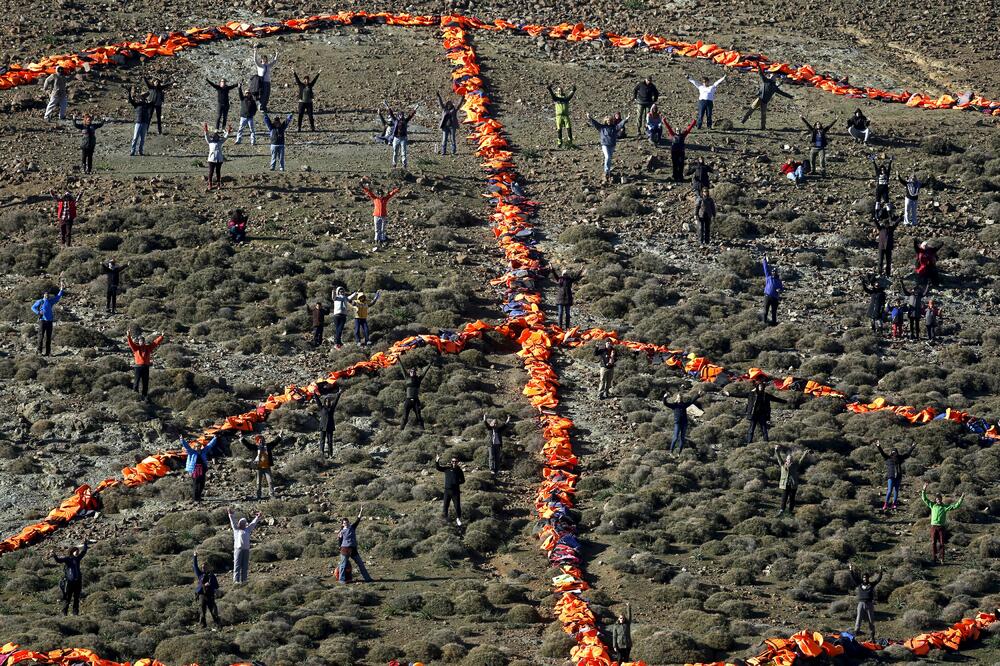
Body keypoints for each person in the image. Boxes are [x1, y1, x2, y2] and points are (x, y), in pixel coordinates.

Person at [921, 484, 964, 564]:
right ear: (935, 499)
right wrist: (924, 490)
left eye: (940, 498)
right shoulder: (932, 505)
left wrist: (961, 498)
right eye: (937, 499)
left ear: (941, 499)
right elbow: (924, 499)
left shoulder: (944, 507)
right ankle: (934, 558)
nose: (938, 500)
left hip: (941, 527)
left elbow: (955, 506)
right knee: (933, 542)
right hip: (933, 527)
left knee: (942, 543)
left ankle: (942, 559)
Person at [586, 113, 629, 182]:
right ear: (605, 121)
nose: (609, 122)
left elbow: (620, 125)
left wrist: (626, 119)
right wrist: (590, 118)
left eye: (610, 120)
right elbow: (595, 123)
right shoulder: (602, 127)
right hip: (605, 145)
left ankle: (608, 171)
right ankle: (606, 171)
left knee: (609, 158)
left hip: (612, 145)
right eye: (607, 121)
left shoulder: (615, 127)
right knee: (607, 157)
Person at [336, 506, 373, 583]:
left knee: (360, 564)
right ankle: (341, 580)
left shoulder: (352, 527)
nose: (346, 524)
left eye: (347, 522)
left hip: (353, 549)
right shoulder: (341, 532)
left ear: (349, 522)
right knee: (343, 565)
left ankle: (367, 578)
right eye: (344, 523)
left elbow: (358, 520)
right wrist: (340, 548)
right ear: (342, 524)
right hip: (345, 549)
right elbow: (339, 541)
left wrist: (361, 511)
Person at [874, 442, 916, 511]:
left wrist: (912, 447)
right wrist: (878, 446)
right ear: (891, 453)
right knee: (890, 490)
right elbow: (882, 453)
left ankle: (894, 504)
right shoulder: (888, 458)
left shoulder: (900, 458)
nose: (894, 453)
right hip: (891, 477)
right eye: (893, 452)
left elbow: (907, 454)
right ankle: (886, 504)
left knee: (896, 491)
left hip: (898, 477)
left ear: (897, 453)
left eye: (895, 452)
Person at [52, 540, 89, 615]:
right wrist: (54, 555)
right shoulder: (68, 559)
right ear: (72, 551)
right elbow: (58, 560)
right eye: (76, 551)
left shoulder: (78, 559)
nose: (78, 552)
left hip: (78, 582)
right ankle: (64, 613)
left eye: (78, 551)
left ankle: (75, 613)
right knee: (67, 599)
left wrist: (85, 544)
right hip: (69, 582)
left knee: (76, 599)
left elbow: (84, 552)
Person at [398, 354, 434, 430]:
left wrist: (430, 364)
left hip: (416, 401)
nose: (413, 372)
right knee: (405, 417)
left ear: (415, 372)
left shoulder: (419, 379)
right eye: (411, 371)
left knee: (419, 416)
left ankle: (422, 430)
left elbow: (425, 372)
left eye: (414, 371)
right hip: (408, 400)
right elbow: (402, 369)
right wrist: (399, 360)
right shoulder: (407, 377)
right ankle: (401, 430)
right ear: (410, 372)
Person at [847, 563, 883, 638]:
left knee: (871, 619)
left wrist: (881, 571)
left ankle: (872, 634)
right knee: (858, 618)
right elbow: (853, 577)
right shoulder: (859, 584)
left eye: (866, 577)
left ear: (868, 578)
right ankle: (856, 632)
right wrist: (851, 569)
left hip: (869, 604)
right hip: (861, 603)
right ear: (862, 578)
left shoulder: (871, 584)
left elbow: (878, 579)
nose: (865, 578)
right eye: (864, 577)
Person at [360, 182, 401, 248]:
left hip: (383, 216)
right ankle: (376, 240)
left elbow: (391, 194)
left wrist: (397, 189)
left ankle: (382, 241)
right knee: (377, 229)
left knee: (382, 229)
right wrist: (363, 187)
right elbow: (369, 193)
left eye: (381, 194)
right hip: (376, 216)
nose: (380, 195)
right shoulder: (375, 198)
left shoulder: (385, 199)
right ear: (377, 194)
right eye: (379, 194)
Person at [126, 330, 164, 399]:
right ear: (139, 342)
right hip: (138, 367)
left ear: (144, 342)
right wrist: (128, 336)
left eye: (143, 341)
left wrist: (161, 336)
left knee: (145, 382)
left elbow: (155, 343)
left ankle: (144, 395)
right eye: (140, 341)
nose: (141, 342)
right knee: (136, 382)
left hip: (146, 367)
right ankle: (135, 395)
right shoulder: (136, 348)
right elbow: (130, 343)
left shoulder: (148, 348)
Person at [228, 508, 262, 583]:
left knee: (245, 566)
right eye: (241, 523)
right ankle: (236, 581)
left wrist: (258, 517)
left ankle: (244, 580)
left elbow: (253, 523)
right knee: (237, 565)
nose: (242, 524)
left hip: (246, 550)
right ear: (239, 523)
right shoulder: (236, 530)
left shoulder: (247, 529)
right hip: (238, 550)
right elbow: (233, 522)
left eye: (244, 523)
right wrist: (230, 515)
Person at [32, 281, 64, 356]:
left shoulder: (50, 301)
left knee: (48, 337)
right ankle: (39, 351)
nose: (47, 295)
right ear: (44, 295)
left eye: (48, 294)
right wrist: (38, 312)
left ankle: (48, 352)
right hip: (42, 321)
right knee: (41, 336)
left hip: (50, 321)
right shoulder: (40, 301)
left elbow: (58, 297)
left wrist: (62, 288)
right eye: (46, 294)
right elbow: (33, 307)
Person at [182, 435, 219, 501]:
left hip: (202, 469)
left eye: (199, 446)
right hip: (194, 470)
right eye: (196, 446)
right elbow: (186, 446)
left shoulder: (203, 451)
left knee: (202, 484)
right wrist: (182, 439)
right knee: (196, 484)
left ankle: (199, 497)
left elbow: (210, 445)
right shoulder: (192, 452)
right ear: (194, 447)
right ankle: (195, 498)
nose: (198, 447)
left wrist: (215, 438)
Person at [192, 550, 222, 628]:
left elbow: (216, 586)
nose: (203, 568)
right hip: (202, 595)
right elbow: (195, 566)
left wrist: (210, 585)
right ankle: (202, 625)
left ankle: (217, 625)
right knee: (202, 611)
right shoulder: (200, 575)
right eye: (202, 567)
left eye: (205, 567)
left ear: (208, 567)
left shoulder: (212, 576)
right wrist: (195, 556)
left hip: (210, 595)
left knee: (213, 610)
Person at [775, 445, 807, 514]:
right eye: (788, 459)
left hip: (793, 484)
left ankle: (790, 510)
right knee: (784, 498)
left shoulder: (795, 465)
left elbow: (801, 460)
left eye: (791, 459)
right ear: (786, 459)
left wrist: (805, 453)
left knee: (792, 498)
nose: (790, 460)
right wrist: (777, 451)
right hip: (785, 484)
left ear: (792, 460)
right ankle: (782, 510)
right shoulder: (782, 465)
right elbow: (779, 457)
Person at [435, 455, 466, 526]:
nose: (454, 463)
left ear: (457, 462)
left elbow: (463, 480)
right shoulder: (447, 469)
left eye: (455, 461)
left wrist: (456, 483)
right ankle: (445, 519)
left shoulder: (459, 471)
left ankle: (458, 518)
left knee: (457, 506)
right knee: (445, 506)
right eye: (453, 461)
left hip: (455, 492)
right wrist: (437, 461)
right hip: (447, 491)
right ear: (451, 462)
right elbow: (438, 468)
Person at [243, 435, 276, 500]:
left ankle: (271, 495)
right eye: (259, 440)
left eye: (262, 440)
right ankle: (258, 496)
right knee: (258, 482)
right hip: (259, 468)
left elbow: (274, 443)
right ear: (257, 441)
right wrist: (242, 438)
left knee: (270, 481)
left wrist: (279, 436)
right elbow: (248, 445)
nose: (261, 441)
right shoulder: (255, 447)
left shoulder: (267, 446)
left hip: (267, 467)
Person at [872, 202, 900, 276]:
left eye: (887, 224)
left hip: (888, 247)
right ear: (884, 224)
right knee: (880, 261)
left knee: (888, 262)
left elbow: (896, 223)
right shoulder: (881, 228)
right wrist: (874, 219)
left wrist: (900, 218)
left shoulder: (891, 228)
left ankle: (888, 274)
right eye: (886, 224)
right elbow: (876, 223)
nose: (887, 225)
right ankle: (880, 273)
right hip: (881, 247)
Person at [313, 385, 343, 456]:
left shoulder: (331, 408)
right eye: (326, 401)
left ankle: (330, 454)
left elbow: (335, 402)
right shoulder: (322, 408)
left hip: (330, 426)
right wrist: (314, 394)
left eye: (328, 401)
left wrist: (339, 393)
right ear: (324, 402)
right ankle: (321, 454)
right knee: (322, 441)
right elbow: (318, 401)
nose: (327, 402)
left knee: (330, 441)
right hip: (322, 426)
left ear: (329, 402)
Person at [386, 104, 417, 169]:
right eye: (400, 115)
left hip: (403, 138)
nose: (401, 116)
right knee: (395, 152)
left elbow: (410, 115)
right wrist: (387, 106)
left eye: (402, 115)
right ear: (398, 115)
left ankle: (404, 165)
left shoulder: (405, 121)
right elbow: (391, 114)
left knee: (404, 152)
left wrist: (416, 108)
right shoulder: (395, 120)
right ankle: (394, 165)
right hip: (396, 138)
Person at [665, 118, 696, 182]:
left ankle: (680, 176)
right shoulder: (673, 135)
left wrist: (693, 122)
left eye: (679, 130)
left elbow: (688, 129)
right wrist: (664, 121)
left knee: (681, 164)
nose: (678, 131)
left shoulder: (683, 135)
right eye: (677, 130)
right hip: (674, 152)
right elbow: (668, 128)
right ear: (675, 131)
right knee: (675, 164)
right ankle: (675, 176)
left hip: (681, 152)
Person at [126, 87, 154, 156]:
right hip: (138, 122)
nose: (142, 98)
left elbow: (153, 102)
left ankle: (140, 151)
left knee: (142, 139)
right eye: (141, 97)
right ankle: (133, 151)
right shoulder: (136, 104)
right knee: (135, 137)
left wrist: (151, 92)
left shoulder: (147, 104)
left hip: (144, 122)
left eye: (143, 97)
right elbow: (130, 100)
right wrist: (129, 93)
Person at [547, 83, 576, 147]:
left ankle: (570, 142)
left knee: (569, 129)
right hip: (559, 116)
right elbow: (553, 96)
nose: (560, 91)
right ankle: (559, 142)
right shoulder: (556, 98)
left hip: (566, 116)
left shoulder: (565, 98)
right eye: (559, 90)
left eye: (561, 90)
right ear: (557, 91)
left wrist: (573, 90)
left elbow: (570, 96)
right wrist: (550, 89)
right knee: (559, 130)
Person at [203, 123, 231, 191]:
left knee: (218, 172)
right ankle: (210, 184)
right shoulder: (210, 142)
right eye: (214, 136)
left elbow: (225, 137)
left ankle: (218, 184)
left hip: (219, 159)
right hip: (211, 159)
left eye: (217, 136)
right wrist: (206, 130)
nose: (216, 137)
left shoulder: (220, 142)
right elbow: (206, 136)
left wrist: (228, 132)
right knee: (211, 172)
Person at [251, 47, 278, 113]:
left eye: (265, 58)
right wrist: (255, 51)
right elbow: (255, 60)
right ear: (262, 60)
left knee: (267, 95)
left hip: (268, 82)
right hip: (262, 82)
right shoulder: (260, 65)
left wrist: (277, 54)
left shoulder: (268, 65)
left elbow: (274, 61)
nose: (265, 60)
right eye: (263, 59)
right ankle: (260, 107)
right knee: (262, 94)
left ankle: (264, 106)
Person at [761, 255, 783, 326]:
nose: (773, 273)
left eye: (775, 272)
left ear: (777, 273)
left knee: (774, 312)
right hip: (767, 296)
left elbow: (781, 289)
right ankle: (764, 323)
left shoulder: (779, 281)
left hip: (775, 298)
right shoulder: (768, 277)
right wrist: (764, 260)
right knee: (765, 311)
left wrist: (779, 290)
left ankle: (773, 324)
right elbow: (766, 268)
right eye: (773, 272)